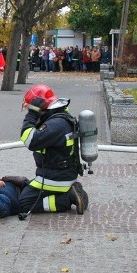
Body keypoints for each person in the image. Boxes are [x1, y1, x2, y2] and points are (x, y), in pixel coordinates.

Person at [17, 84, 89, 215]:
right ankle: (71, 191)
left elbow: (29, 141)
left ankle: (67, 198)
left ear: (41, 108)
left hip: (56, 178)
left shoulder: (55, 124)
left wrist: (32, 115)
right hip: (60, 173)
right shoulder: (60, 117)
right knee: (26, 189)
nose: (29, 110)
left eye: (30, 108)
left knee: (24, 203)